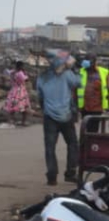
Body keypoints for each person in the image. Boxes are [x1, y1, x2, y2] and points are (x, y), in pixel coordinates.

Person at [37, 55, 81, 186]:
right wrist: (76, 71)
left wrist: (45, 109)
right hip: (66, 116)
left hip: (49, 116)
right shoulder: (67, 74)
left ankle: (52, 177)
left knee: (50, 147)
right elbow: (78, 83)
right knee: (72, 144)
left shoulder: (42, 77)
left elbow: (40, 97)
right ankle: (70, 173)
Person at [4, 60, 31, 126]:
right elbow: (26, 79)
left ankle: (11, 121)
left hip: (13, 90)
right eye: (23, 66)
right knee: (24, 107)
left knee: (12, 106)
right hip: (21, 90)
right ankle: (23, 122)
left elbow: (6, 72)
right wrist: (26, 74)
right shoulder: (20, 73)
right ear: (21, 66)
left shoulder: (12, 72)